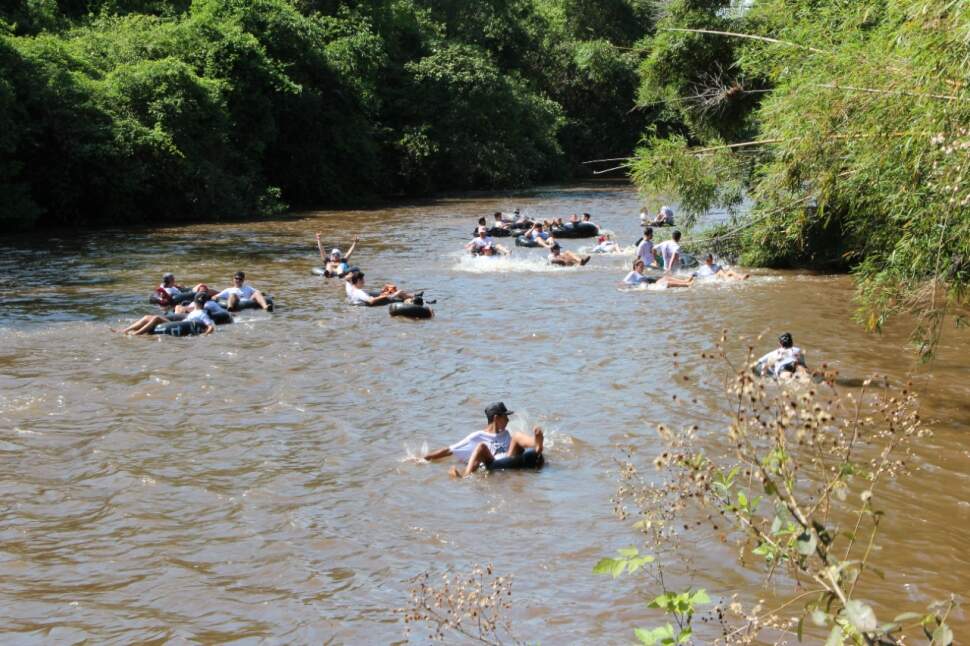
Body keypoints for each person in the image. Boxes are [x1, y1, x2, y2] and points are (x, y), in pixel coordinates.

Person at [423, 402, 544, 478]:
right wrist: (424, 459)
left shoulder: (506, 433)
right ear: (496, 418)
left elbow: (518, 446)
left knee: (517, 436)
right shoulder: (477, 436)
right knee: (481, 447)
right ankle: (465, 475)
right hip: (493, 462)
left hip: (509, 458)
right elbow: (449, 450)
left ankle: (537, 444)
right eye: (505, 416)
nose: (508, 420)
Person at [116, 292, 216, 336]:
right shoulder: (194, 311)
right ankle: (125, 330)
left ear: (196, 302)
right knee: (147, 317)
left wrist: (204, 334)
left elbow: (210, 327)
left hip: (184, 326)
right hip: (181, 322)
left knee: (156, 318)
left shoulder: (202, 314)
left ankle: (136, 334)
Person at [344, 270, 413, 306]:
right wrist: (382, 296)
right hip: (380, 302)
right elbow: (371, 301)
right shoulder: (359, 292)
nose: (364, 282)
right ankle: (413, 298)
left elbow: (347, 279)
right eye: (363, 280)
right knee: (399, 292)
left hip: (362, 301)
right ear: (359, 280)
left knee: (391, 291)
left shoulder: (350, 289)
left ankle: (412, 296)